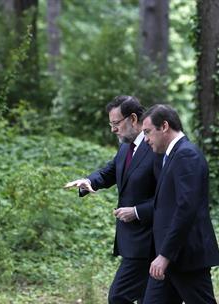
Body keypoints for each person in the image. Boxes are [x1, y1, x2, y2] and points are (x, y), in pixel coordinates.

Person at [64, 96, 161, 304]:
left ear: (133, 118)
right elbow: (110, 172)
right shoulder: (126, 146)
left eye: (116, 123)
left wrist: (136, 211)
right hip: (132, 242)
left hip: (149, 241)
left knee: (119, 296)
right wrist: (88, 180)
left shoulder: (155, 147)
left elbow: (166, 198)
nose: (113, 130)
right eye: (111, 124)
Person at [140, 104, 219, 304]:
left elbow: (186, 208)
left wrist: (165, 255)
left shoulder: (186, 155)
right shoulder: (172, 154)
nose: (145, 139)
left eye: (148, 132)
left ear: (164, 126)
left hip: (186, 257)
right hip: (170, 259)